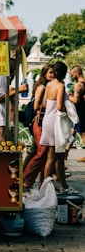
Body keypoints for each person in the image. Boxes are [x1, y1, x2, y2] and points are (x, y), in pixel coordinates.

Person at [40, 61, 78, 194]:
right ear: (64, 73)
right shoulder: (60, 86)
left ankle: (47, 186)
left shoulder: (49, 85)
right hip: (56, 122)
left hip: (47, 121)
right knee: (58, 157)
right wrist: (69, 110)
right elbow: (59, 106)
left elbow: (44, 103)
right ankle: (63, 187)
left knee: (52, 156)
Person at [23, 64, 54, 190]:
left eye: (54, 72)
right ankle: (26, 180)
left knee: (38, 151)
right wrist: (52, 105)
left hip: (45, 122)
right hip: (39, 121)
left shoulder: (49, 86)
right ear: (45, 74)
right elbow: (36, 107)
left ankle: (43, 182)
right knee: (42, 151)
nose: (53, 75)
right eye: (50, 72)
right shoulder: (42, 87)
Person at [68, 65, 85, 161]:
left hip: (80, 113)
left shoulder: (78, 85)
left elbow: (75, 100)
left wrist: (66, 97)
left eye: (72, 74)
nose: (71, 76)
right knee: (73, 132)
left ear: (76, 73)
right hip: (80, 112)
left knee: (83, 134)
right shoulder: (84, 83)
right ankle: (66, 152)